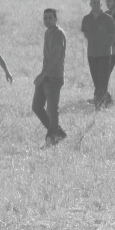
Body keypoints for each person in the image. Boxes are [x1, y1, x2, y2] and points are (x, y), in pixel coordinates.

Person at [33, 8, 67, 146]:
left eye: (50, 18)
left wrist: (42, 74)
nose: (47, 20)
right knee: (37, 106)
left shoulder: (58, 33)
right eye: (45, 18)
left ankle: (51, 139)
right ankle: (59, 133)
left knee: (52, 110)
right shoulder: (47, 32)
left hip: (54, 77)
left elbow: (56, 56)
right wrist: (43, 74)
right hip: (46, 76)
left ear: (55, 19)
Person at [81, 0, 115, 108]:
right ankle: (108, 101)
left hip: (104, 55)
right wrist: (94, 41)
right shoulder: (86, 19)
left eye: (98, 3)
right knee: (97, 81)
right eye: (94, 2)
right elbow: (85, 33)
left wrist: (107, 45)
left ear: (101, 4)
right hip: (92, 54)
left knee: (103, 81)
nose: (96, 5)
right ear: (90, 4)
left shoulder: (108, 19)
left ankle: (98, 105)